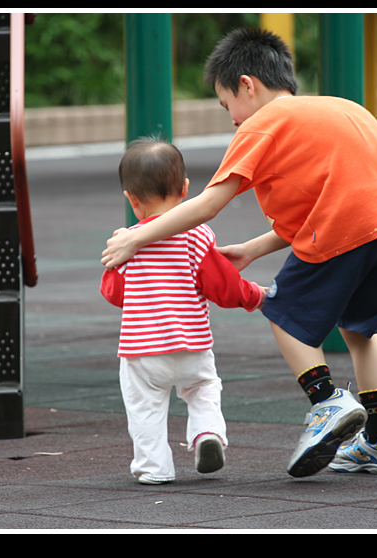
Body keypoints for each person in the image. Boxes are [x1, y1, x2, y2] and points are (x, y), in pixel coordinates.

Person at [101, 28, 377, 478]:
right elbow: (327, 203)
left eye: (226, 106)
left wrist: (137, 237)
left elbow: (210, 202)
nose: (233, 120)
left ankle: (327, 404)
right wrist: (254, 249)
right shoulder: (341, 107)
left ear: (246, 85)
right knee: (361, 329)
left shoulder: (262, 123)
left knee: (281, 310)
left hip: (350, 222)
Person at [101, 137, 266, 485]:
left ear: (132, 200)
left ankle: (154, 468)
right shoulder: (197, 235)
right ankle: (207, 433)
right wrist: (255, 296)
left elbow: (114, 295)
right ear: (186, 190)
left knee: (145, 409)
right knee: (205, 387)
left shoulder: (128, 241)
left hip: (142, 350)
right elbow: (223, 287)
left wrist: (116, 264)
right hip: (193, 343)